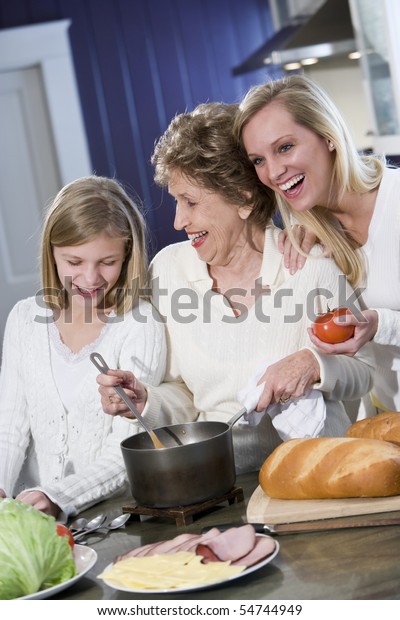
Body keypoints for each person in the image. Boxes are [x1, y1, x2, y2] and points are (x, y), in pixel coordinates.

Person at [96, 102, 375, 474]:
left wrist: (313, 365)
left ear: (243, 198)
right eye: (177, 201)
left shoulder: (311, 267)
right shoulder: (168, 271)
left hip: (315, 471)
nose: (179, 220)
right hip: (221, 478)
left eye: (191, 202)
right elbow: (184, 393)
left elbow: (363, 372)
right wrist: (146, 400)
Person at [0, 175, 166, 518]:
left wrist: (55, 496)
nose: (91, 279)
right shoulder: (24, 319)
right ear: (52, 253)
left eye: (107, 262)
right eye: (74, 262)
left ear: (127, 257)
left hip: (111, 517)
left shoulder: (140, 323)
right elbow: (9, 428)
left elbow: (128, 447)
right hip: (35, 518)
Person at [234, 74, 400, 415]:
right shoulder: (314, 237)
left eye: (284, 147)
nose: (274, 172)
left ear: (328, 137)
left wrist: (380, 325)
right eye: (258, 160)